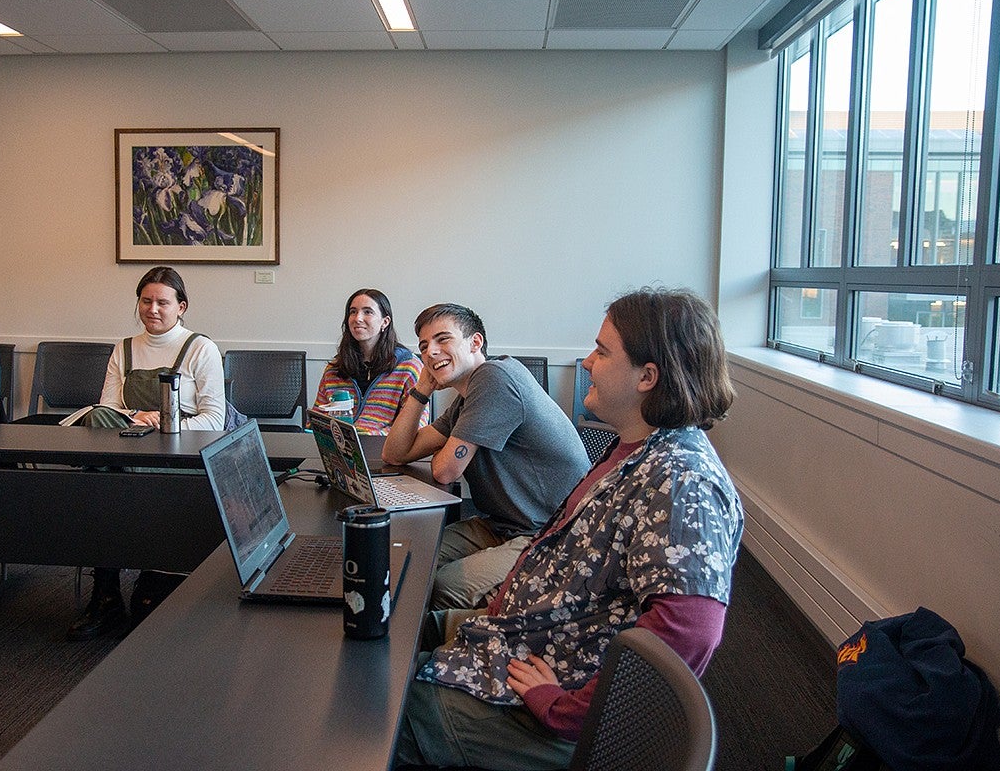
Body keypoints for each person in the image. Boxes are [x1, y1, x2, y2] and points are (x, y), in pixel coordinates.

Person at [393, 287, 744, 770]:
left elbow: (691, 632)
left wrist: (564, 710)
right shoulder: (635, 450)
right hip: (528, 637)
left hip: (550, 694)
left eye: (602, 351)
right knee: (389, 628)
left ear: (648, 376)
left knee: (382, 715)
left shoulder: (681, 481)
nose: (584, 363)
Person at [382, 303, 589, 610]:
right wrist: (422, 389)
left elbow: (445, 472)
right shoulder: (467, 397)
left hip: (551, 532)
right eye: (424, 347)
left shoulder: (495, 377)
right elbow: (396, 453)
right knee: (407, 555)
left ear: (475, 342)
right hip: (503, 524)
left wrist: (447, 451)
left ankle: (449, 648)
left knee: (443, 586)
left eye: (443, 340)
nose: (431, 352)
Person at [66, 266, 225, 641]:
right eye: (146, 301)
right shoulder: (123, 350)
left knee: (106, 487)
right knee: (102, 483)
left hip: (180, 461)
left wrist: (164, 425)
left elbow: (214, 419)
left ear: (181, 306)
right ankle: (106, 595)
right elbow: (105, 410)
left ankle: (138, 582)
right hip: (125, 453)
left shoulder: (201, 348)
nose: (153, 309)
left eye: (163, 302)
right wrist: (137, 417)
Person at [311, 288, 427, 435]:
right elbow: (315, 421)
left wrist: (370, 437)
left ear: (385, 322)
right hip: (340, 451)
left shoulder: (409, 367)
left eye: (368, 312)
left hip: (385, 451)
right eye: (353, 312)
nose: (358, 318)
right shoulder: (334, 369)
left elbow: (416, 425)